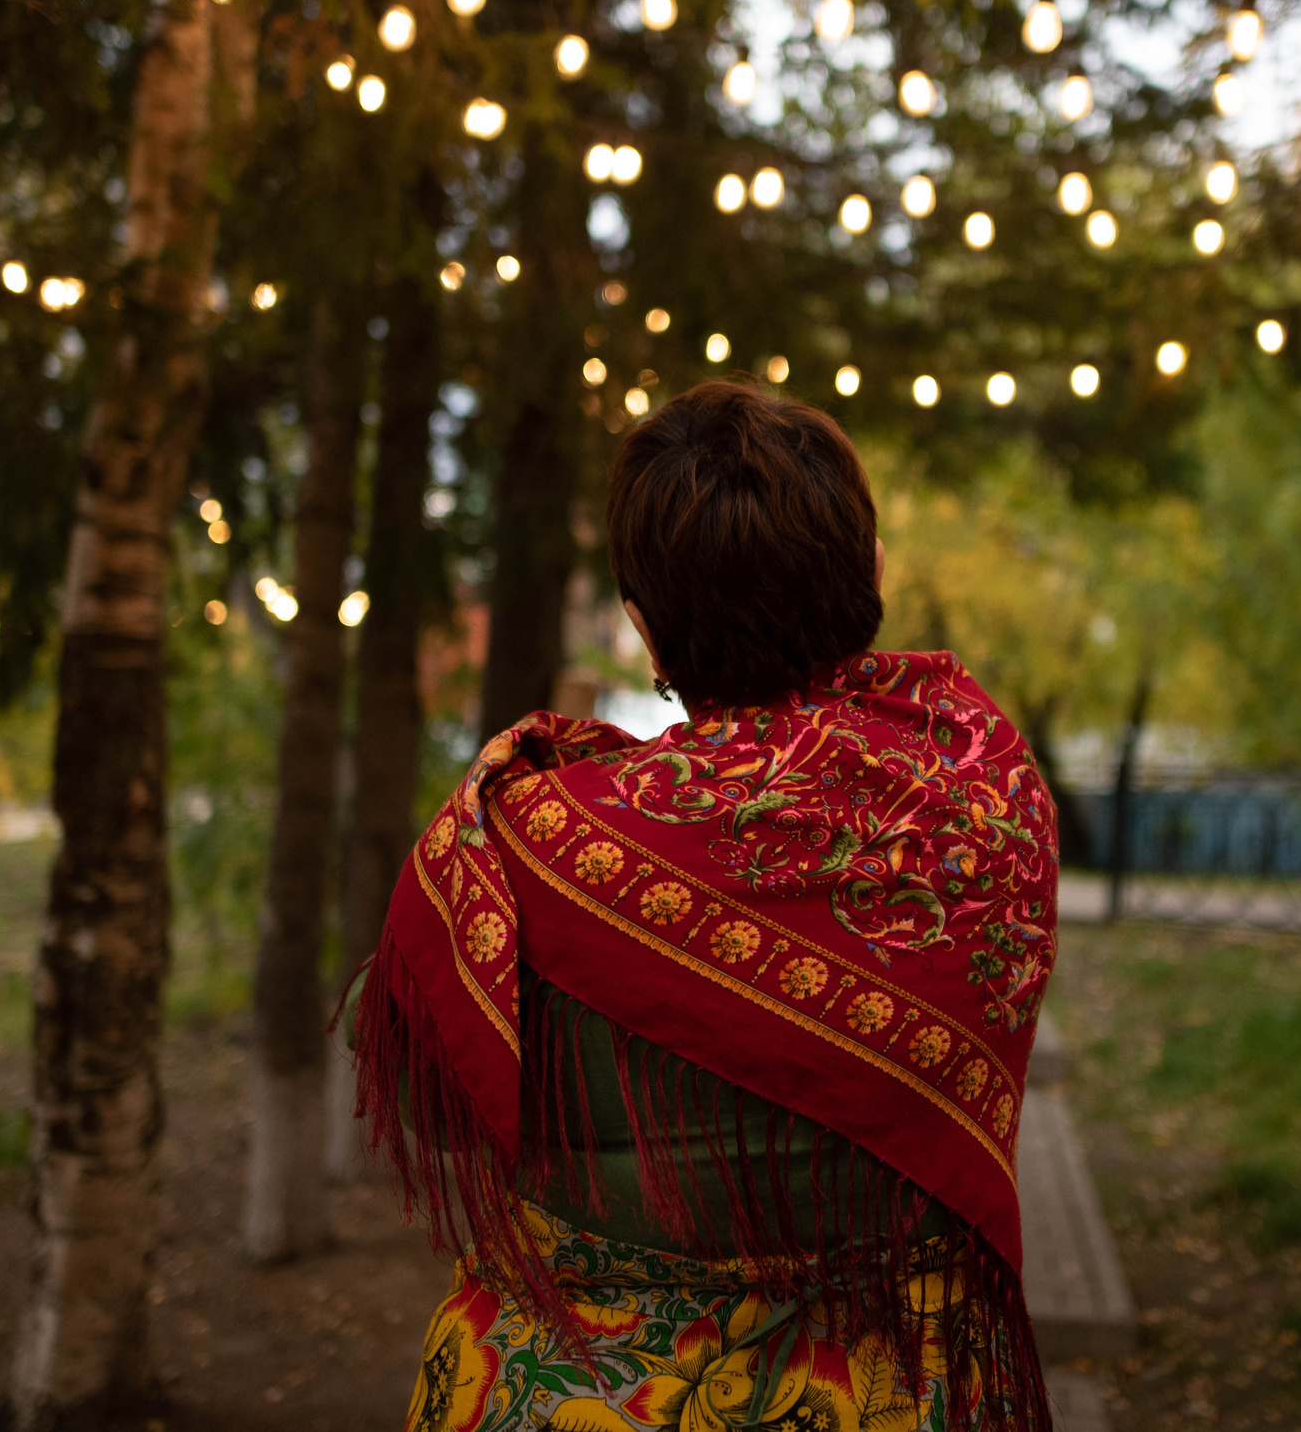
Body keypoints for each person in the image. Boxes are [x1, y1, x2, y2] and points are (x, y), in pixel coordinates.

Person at [352, 379, 1059, 1432]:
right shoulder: (987, 806)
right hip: (884, 1399)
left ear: (645, 629)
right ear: (870, 574)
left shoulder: (530, 848)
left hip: (564, 1397)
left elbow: (420, 1093)